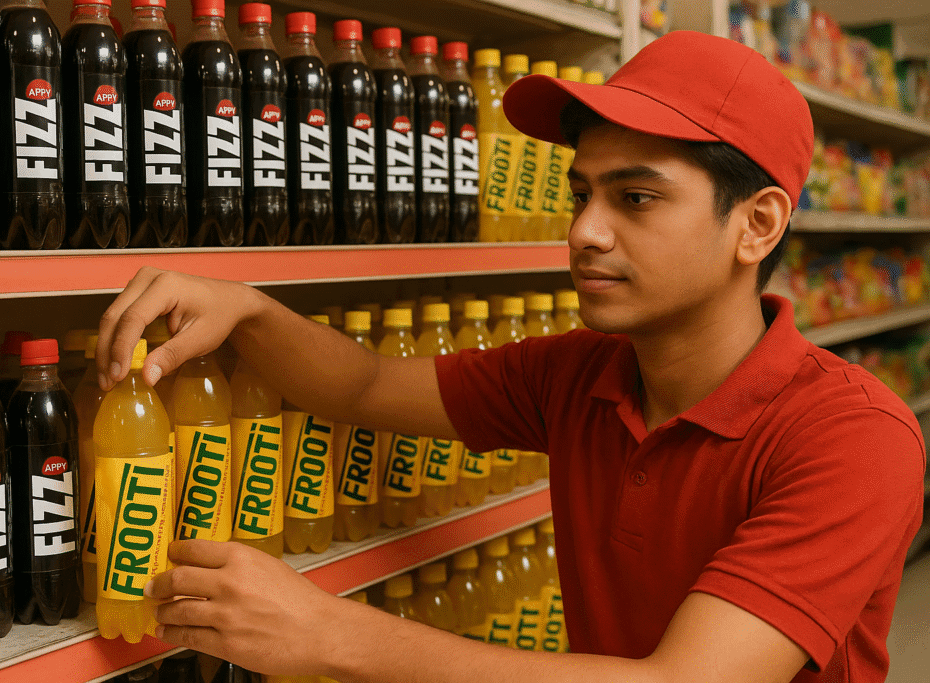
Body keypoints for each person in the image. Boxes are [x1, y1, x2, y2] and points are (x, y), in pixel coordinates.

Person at [96, 31, 925, 683]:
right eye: (580, 193)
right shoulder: (578, 374)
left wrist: (330, 631)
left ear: (758, 223)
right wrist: (246, 307)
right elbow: (366, 382)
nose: (584, 233)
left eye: (635, 198)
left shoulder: (852, 437)